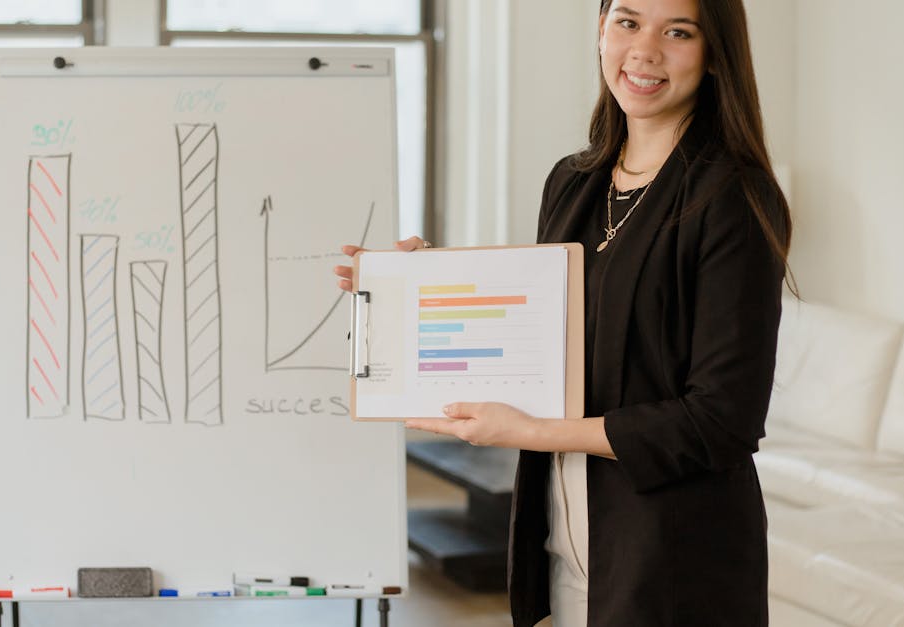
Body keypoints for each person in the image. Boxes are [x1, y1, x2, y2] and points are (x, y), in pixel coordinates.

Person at [335, 0, 793, 625]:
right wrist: (418, 287)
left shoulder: (733, 196)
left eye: (678, 32)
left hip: (675, 562)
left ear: (715, 57)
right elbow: (551, 334)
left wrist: (529, 433)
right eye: (627, 22)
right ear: (601, 30)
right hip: (563, 546)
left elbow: (722, 420)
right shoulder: (575, 182)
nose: (645, 51)